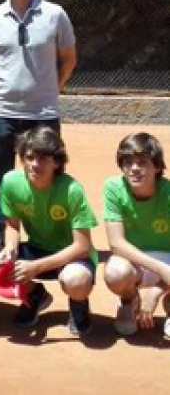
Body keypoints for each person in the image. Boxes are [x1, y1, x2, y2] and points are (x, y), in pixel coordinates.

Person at [0, 0, 77, 221]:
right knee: (0, 178)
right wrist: (5, 87)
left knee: (48, 175)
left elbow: (69, 58)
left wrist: (53, 88)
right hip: (1, 113)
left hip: (43, 114)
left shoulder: (55, 15)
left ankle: (48, 235)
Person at [0, 127, 97, 336]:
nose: (34, 164)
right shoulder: (11, 182)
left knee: (75, 280)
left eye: (43, 159)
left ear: (57, 163)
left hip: (71, 256)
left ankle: (78, 304)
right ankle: (34, 295)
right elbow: (13, 226)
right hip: (36, 249)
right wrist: (10, 248)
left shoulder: (71, 190)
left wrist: (35, 267)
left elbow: (82, 246)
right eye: (29, 157)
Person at [103, 133, 170, 338]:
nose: (134, 168)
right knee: (115, 273)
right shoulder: (114, 188)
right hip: (136, 261)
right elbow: (116, 243)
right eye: (128, 162)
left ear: (157, 167)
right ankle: (129, 300)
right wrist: (160, 269)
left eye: (142, 163)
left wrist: (157, 291)